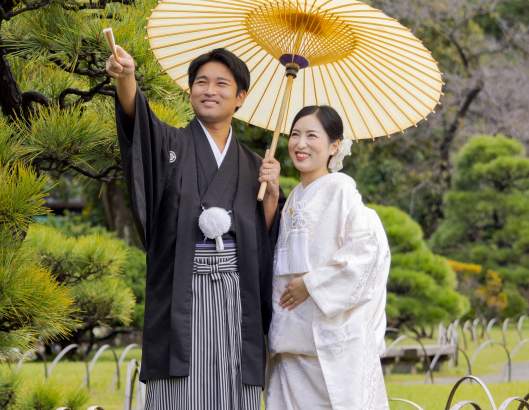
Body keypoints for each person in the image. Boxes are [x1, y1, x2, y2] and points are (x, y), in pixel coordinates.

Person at [106, 44, 286, 409]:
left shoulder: (255, 166)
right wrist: (126, 77)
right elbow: (136, 119)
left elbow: (263, 242)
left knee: (234, 388)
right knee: (181, 388)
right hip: (182, 293)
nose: (209, 90)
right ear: (189, 91)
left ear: (240, 97)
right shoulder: (171, 144)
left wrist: (271, 196)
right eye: (201, 82)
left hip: (237, 295)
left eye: (222, 84)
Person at [264, 105, 391, 410]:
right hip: (290, 344)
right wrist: (271, 192)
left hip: (330, 345)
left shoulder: (342, 193)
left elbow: (367, 255)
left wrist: (311, 284)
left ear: (334, 146)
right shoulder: (292, 198)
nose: (300, 143)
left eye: (312, 135)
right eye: (295, 134)